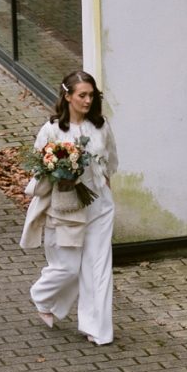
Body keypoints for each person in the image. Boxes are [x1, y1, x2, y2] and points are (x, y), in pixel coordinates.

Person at [21, 69, 117, 346]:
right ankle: (43, 297)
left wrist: (106, 188)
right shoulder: (51, 130)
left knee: (98, 267)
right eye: (82, 95)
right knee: (68, 268)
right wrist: (61, 172)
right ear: (68, 96)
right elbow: (38, 168)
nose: (88, 101)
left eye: (91, 95)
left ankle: (97, 329)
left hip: (100, 205)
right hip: (66, 208)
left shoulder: (101, 126)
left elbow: (111, 160)